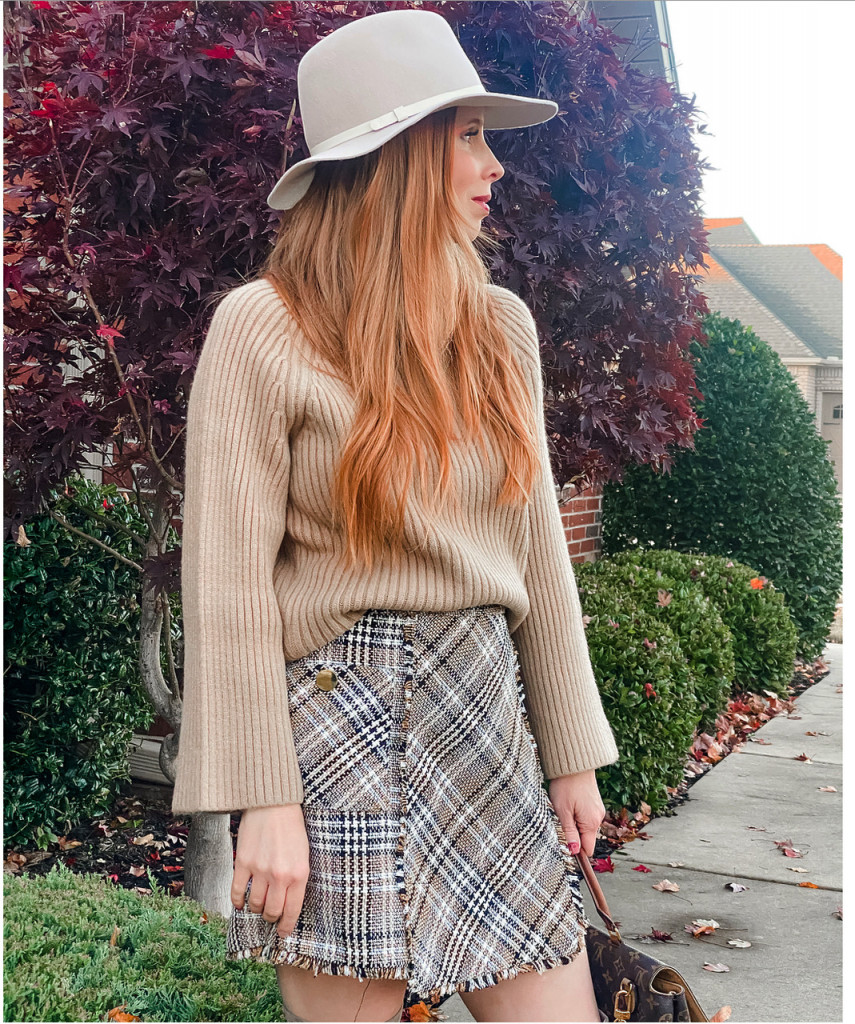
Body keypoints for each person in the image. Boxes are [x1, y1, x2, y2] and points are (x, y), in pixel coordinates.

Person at [171, 9, 619, 1023]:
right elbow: (230, 587)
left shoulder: (502, 328)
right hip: (338, 724)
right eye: (465, 133)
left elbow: (538, 547)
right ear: (394, 154)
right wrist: (264, 800)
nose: (492, 163)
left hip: (483, 710)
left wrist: (570, 752)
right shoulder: (262, 327)